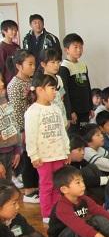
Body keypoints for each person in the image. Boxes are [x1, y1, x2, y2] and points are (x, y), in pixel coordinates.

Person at [24, 73, 70, 223]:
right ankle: (47, 214)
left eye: (56, 89)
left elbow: (62, 132)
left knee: (58, 185)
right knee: (46, 185)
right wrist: (33, 155)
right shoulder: (33, 111)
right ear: (40, 90)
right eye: (52, 88)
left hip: (59, 154)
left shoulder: (56, 108)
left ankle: (57, 212)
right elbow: (30, 136)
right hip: (44, 157)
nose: (55, 92)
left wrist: (67, 150)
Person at [7, 50, 40, 204]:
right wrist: (23, 131)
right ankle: (28, 191)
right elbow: (17, 112)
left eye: (34, 64)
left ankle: (36, 187)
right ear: (19, 66)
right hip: (25, 128)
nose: (33, 67)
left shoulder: (32, 81)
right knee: (27, 158)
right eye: (30, 64)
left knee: (35, 157)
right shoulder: (14, 85)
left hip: (35, 125)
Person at [59, 33, 93, 132]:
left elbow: (87, 87)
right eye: (76, 47)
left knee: (85, 132)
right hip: (74, 111)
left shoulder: (83, 66)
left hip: (85, 109)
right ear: (67, 50)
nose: (79, 50)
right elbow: (64, 92)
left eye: (81, 47)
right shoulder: (64, 67)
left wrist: (90, 107)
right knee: (75, 135)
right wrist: (70, 112)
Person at [68, 135, 108, 204]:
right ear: (69, 151)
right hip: (79, 194)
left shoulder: (82, 161)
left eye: (83, 149)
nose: (83, 153)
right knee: (85, 171)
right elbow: (85, 180)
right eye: (79, 150)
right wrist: (105, 179)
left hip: (91, 191)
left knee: (92, 167)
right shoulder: (66, 167)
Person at [40, 47, 69, 128]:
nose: (56, 65)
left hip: (61, 116)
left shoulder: (59, 79)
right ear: (43, 64)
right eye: (52, 62)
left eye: (58, 62)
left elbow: (63, 97)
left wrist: (66, 118)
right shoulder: (41, 82)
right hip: (49, 120)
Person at [0, 72, 21, 186]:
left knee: (7, 187)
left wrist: (17, 150)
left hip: (10, 153)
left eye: (1, 80)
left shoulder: (6, 101)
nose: (2, 84)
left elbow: (14, 125)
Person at [0, 19, 20, 85]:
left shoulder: (17, 46)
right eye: (12, 29)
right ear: (4, 31)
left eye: (16, 30)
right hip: (8, 81)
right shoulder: (2, 48)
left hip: (18, 79)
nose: (14, 32)